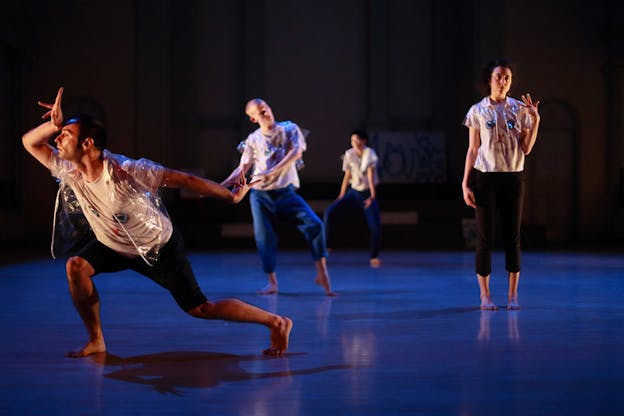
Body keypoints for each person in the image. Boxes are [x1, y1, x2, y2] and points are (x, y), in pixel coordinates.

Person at [22, 87, 292, 358]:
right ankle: (96, 340)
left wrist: (229, 196)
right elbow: (29, 142)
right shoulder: (69, 169)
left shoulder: (125, 171)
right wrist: (53, 124)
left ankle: (276, 322)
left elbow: (184, 180)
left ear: (87, 144)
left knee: (200, 308)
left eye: (65, 135)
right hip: (112, 243)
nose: (57, 139)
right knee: (76, 267)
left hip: (157, 247)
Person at [221, 98, 335, 296]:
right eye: (260, 111)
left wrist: (272, 171)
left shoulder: (289, 129)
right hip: (259, 195)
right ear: (253, 118)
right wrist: (219, 186)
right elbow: (242, 168)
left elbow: (296, 153)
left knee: (315, 224)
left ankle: (322, 273)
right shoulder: (253, 139)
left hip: (284, 192)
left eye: (266, 108)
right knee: (264, 238)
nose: (265, 112)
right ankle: (272, 283)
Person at [461, 59, 541, 310]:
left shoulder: (519, 109)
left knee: (512, 238)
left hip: (513, 177)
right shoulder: (478, 110)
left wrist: (535, 120)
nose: (503, 81)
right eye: (499, 77)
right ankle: (485, 296)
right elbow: (473, 149)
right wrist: (465, 183)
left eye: (507, 77)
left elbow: (526, 149)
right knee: (485, 238)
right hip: (486, 178)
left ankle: (512, 296)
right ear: (489, 80)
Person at [323, 129, 382, 267]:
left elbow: (370, 175)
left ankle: (374, 256)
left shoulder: (370, 154)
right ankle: (327, 246)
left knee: (375, 227)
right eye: (352, 141)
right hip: (353, 192)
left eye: (356, 140)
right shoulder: (350, 154)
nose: (354, 143)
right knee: (329, 212)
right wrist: (341, 195)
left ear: (363, 141)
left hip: (367, 194)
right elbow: (347, 175)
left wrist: (372, 197)